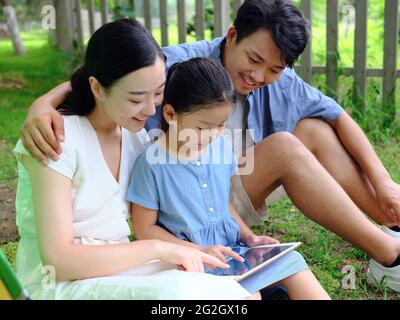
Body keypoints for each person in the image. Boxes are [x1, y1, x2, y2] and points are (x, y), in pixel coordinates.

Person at [19, 0, 400, 291]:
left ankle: (391, 223)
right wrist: (44, 103)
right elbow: (110, 75)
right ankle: (390, 254)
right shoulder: (178, 65)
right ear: (232, 36)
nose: (259, 75)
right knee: (285, 146)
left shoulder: (277, 79)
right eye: (253, 59)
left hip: (225, 184)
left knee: (316, 129)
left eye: (274, 69)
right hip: (181, 196)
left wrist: (382, 182)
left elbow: (336, 113)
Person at [12, 19, 253, 300]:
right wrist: (160, 249)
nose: (150, 108)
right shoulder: (56, 137)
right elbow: (59, 261)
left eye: (158, 93)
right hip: (57, 284)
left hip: (120, 267)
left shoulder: (135, 137)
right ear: (98, 88)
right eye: (137, 98)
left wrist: (197, 250)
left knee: (233, 291)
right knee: (184, 295)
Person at [127, 57, 331, 299]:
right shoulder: (152, 163)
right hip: (188, 263)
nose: (213, 134)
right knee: (248, 294)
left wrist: (249, 237)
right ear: (171, 114)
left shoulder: (220, 147)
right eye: (203, 127)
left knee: (291, 261)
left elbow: (224, 206)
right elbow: (144, 229)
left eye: (221, 125)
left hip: (231, 253)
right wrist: (200, 250)